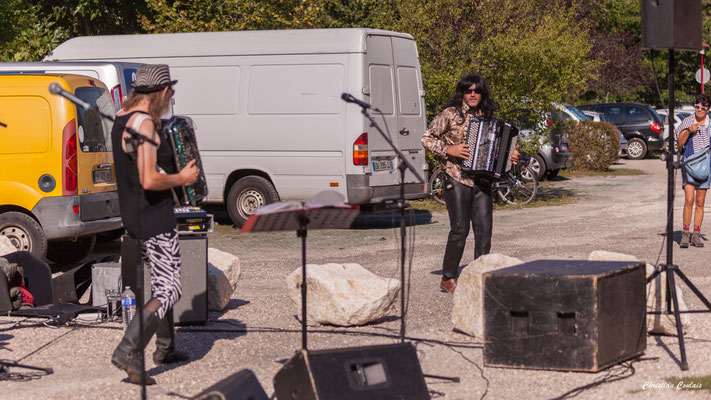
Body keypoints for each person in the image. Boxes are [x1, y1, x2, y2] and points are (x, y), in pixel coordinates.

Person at [110, 64, 199, 384]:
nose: (171, 98)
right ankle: (128, 349)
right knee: (170, 286)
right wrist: (183, 178)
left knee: (164, 278)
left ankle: (166, 347)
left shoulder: (122, 117)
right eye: (170, 92)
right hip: (153, 216)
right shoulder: (145, 124)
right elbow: (149, 178)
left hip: (135, 214)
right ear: (161, 92)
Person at [422, 72, 518, 293]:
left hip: (482, 180)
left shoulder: (488, 117)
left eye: (477, 90)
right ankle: (448, 277)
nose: (473, 94)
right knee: (460, 229)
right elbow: (426, 138)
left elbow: (499, 149)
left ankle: (480, 275)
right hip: (456, 176)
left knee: (484, 230)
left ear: (482, 93)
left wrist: (510, 156)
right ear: (462, 92)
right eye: (468, 90)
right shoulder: (450, 114)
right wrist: (449, 149)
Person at [676, 94, 711, 248]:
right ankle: (685, 234)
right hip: (689, 165)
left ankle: (696, 234)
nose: (699, 110)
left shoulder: (710, 124)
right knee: (689, 200)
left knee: (700, 202)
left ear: (708, 109)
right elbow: (679, 143)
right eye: (697, 106)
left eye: (703, 108)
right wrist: (689, 130)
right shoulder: (688, 121)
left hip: (705, 167)